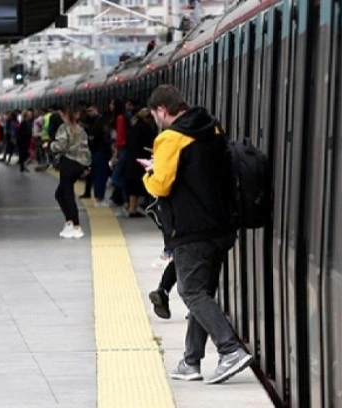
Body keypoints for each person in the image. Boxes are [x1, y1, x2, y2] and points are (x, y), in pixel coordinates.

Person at [143, 85, 253, 384]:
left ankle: (230, 350)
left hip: (191, 229)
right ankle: (191, 361)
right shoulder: (212, 127)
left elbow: (160, 185)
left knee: (191, 292)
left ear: (162, 110)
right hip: (222, 226)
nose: (156, 121)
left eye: (154, 115)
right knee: (203, 293)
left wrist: (148, 173)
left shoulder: (170, 138)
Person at [46, 105, 91, 239]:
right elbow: (86, 150)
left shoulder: (64, 128)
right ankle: (69, 222)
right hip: (79, 165)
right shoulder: (81, 130)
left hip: (68, 163)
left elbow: (61, 146)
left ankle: (75, 225)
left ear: (64, 114)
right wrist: (87, 166)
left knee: (67, 194)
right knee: (61, 193)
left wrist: (50, 145)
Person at [125, 107, 156, 217]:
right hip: (141, 159)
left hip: (131, 158)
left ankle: (130, 206)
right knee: (137, 184)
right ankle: (132, 209)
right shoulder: (145, 129)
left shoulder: (134, 127)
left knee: (132, 184)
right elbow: (150, 144)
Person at [85, 104, 113, 207]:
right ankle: (99, 198)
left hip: (97, 151)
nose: (89, 113)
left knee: (98, 175)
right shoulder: (99, 122)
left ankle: (99, 197)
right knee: (100, 175)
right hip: (100, 152)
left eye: (91, 110)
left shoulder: (97, 122)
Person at [109, 98, 128, 207]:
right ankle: (125, 200)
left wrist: (115, 154)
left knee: (116, 177)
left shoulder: (120, 118)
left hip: (121, 150)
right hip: (122, 149)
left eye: (112, 104)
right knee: (120, 176)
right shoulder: (123, 117)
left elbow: (120, 138)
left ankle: (127, 198)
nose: (110, 106)